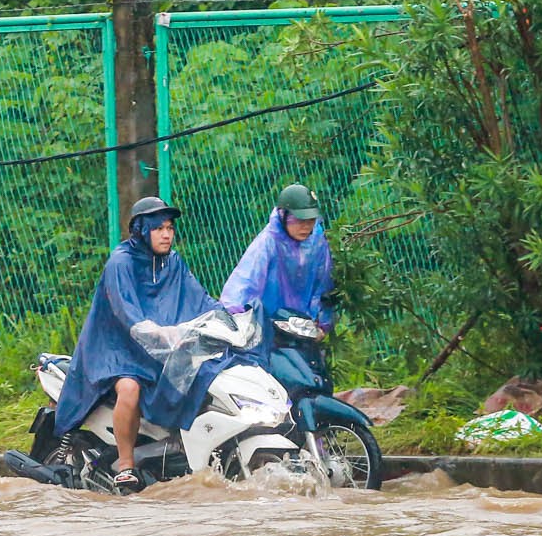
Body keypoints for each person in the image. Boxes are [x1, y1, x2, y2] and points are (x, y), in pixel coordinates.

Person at [55, 195, 227, 493]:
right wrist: (158, 332)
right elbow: (127, 313)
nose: (166, 234)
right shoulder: (120, 262)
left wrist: (226, 316)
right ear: (141, 231)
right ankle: (125, 465)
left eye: (170, 228)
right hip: (115, 350)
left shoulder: (172, 262)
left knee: (203, 370)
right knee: (130, 388)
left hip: (156, 349)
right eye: (158, 228)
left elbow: (199, 300)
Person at [220, 182, 334, 344]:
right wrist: (235, 318)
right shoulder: (268, 242)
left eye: (310, 220)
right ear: (283, 215)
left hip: (303, 330)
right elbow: (244, 282)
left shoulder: (317, 242)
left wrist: (322, 324)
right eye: (299, 219)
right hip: (265, 331)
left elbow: (323, 285)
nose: (306, 226)